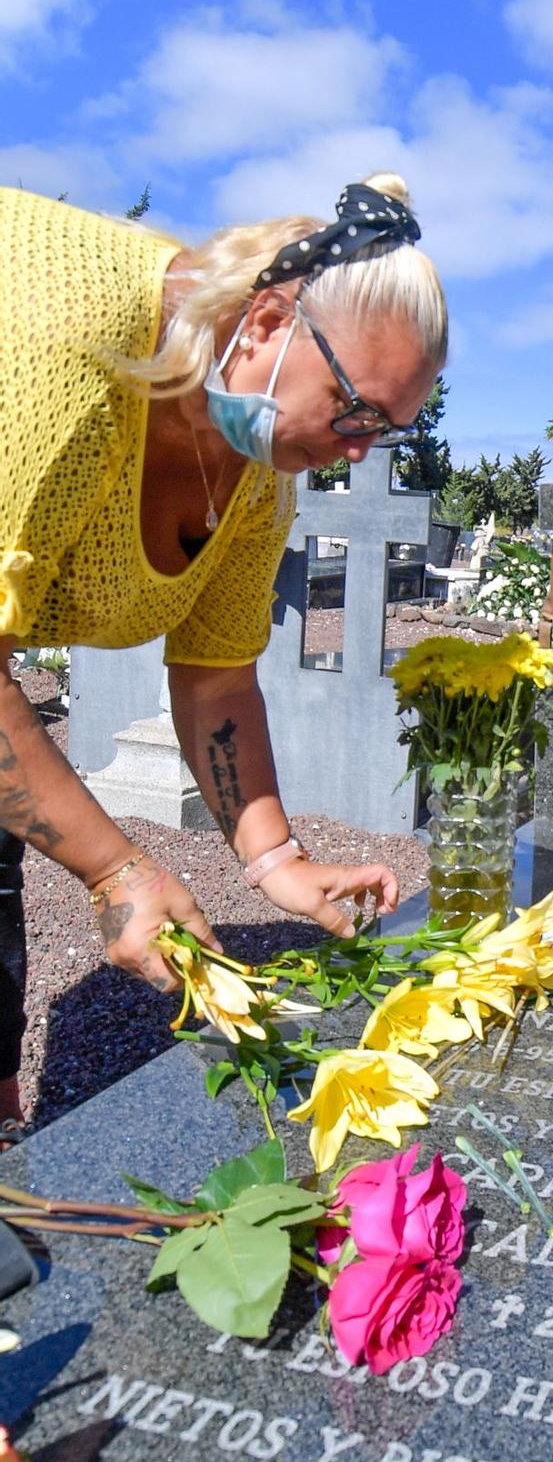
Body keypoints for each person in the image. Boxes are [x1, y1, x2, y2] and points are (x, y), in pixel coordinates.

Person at [0, 172, 447, 1138]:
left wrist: (275, 856)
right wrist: (119, 872)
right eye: (355, 411)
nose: (361, 451)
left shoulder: (255, 477)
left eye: (388, 432)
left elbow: (217, 668)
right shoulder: (60, 346)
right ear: (265, 324)